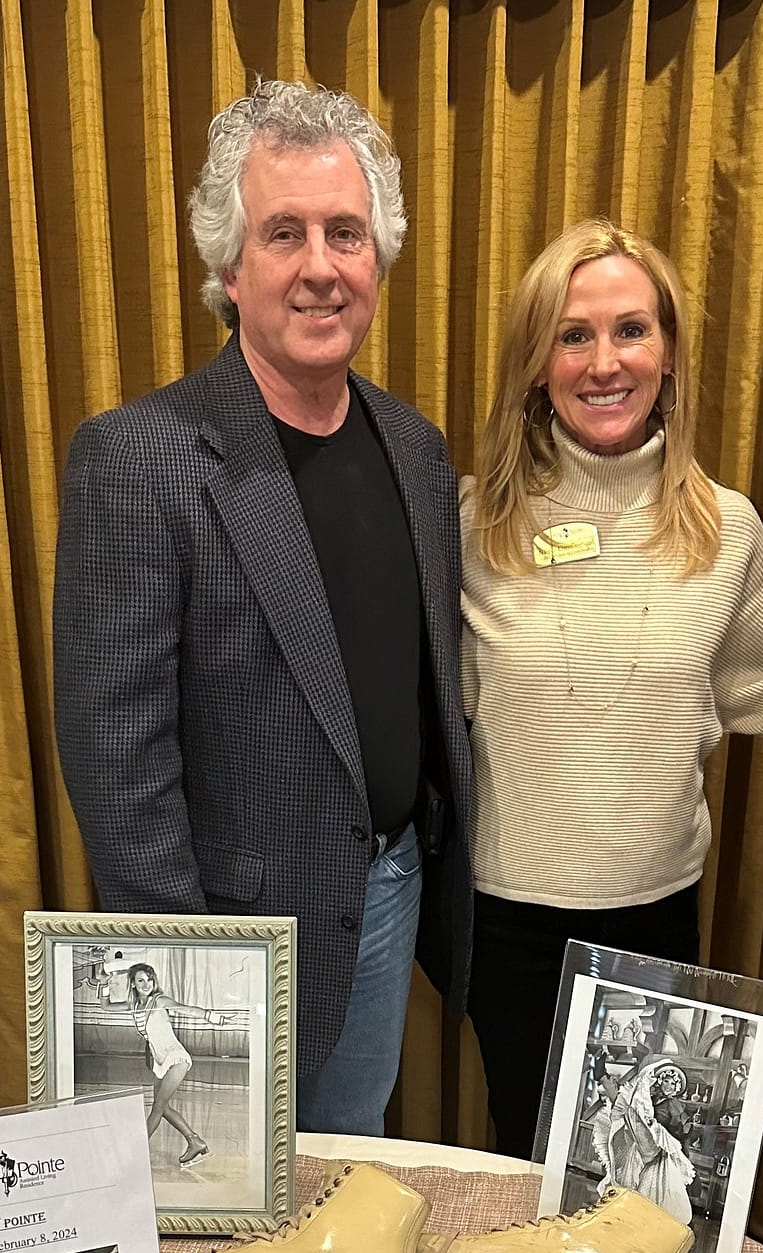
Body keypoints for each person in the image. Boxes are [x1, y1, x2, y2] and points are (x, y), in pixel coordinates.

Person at [53, 80, 473, 1137]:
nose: (321, 266)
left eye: (346, 232)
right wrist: (191, 980)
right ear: (230, 269)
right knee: (224, 1243)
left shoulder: (416, 450)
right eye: (283, 233)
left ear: (378, 258)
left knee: (346, 1180)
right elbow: (118, 765)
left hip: (385, 897)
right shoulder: (138, 459)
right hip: (228, 942)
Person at [461, 218, 763, 1157]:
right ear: (537, 362)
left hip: (654, 914)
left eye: (631, 330)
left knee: (637, 1179)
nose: (603, 361)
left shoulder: (724, 529)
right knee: (526, 1170)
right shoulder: (470, 524)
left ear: (667, 354)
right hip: (509, 917)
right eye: (572, 334)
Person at [98, 960, 227, 1166]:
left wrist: (212, 1017)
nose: (146, 984)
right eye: (141, 980)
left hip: (176, 1058)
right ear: (132, 983)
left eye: (149, 979)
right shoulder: (135, 1005)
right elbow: (105, 1007)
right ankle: (195, 1141)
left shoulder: (158, 1000)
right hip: (159, 1060)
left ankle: (134, 1152)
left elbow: (185, 1009)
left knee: (158, 1106)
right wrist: (103, 983)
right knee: (163, 1107)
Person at [591, 1057, 695, 1224]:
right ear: (660, 1082)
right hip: (642, 1147)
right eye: (666, 1082)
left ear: (676, 1090)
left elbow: (684, 1129)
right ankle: (602, 1078)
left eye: (672, 1085)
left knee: (632, 1111)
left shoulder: (674, 1105)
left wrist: (682, 1129)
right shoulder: (652, 1099)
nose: (669, 1086)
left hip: (656, 1148)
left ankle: (603, 1078)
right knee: (628, 1109)